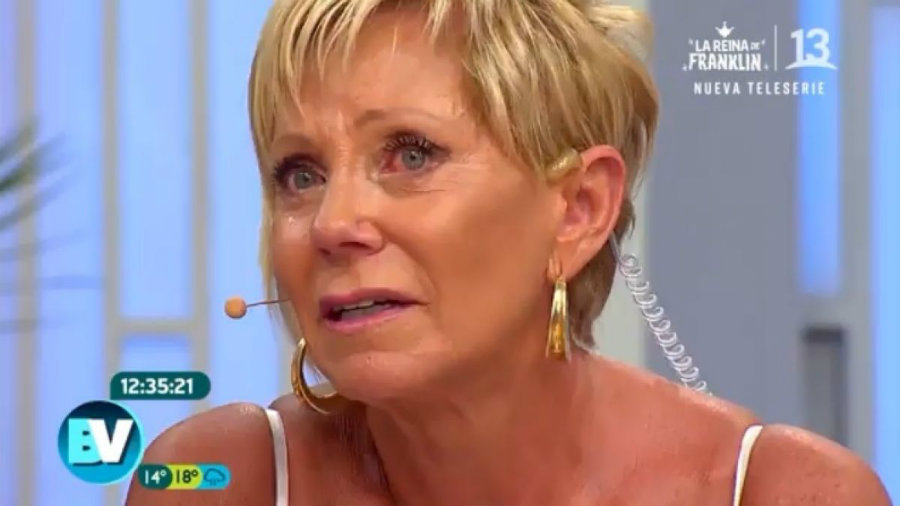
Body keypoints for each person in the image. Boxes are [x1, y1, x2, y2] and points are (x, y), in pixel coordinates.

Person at [125, 1, 892, 505]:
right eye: (301, 173)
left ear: (579, 210)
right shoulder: (221, 480)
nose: (334, 222)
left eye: (411, 154)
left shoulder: (782, 492)